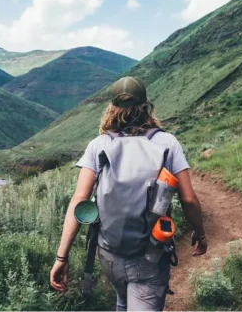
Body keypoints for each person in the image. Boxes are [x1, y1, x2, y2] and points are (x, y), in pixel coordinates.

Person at [50, 76, 207, 311]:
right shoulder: (167, 143)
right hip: (150, 254)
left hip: (109, 252)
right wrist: (200, 233)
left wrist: (61, 258)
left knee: (122, 301)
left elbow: (79, 201)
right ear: (146, 105)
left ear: (112, 107)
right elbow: (188, 199)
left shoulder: (98, 145)